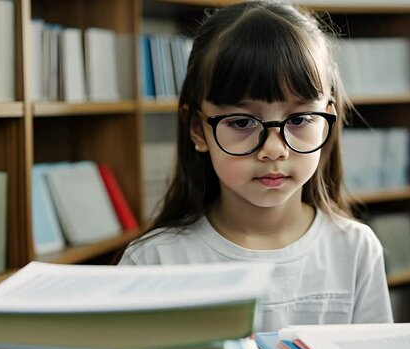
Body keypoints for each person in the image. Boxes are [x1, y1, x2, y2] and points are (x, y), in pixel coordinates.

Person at [119, 0, 393, 331]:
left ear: (326, 122)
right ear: (197, 128)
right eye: (242, 122)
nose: (274, 150)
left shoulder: (355, 249)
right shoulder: (154, 262)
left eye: (301, 118)